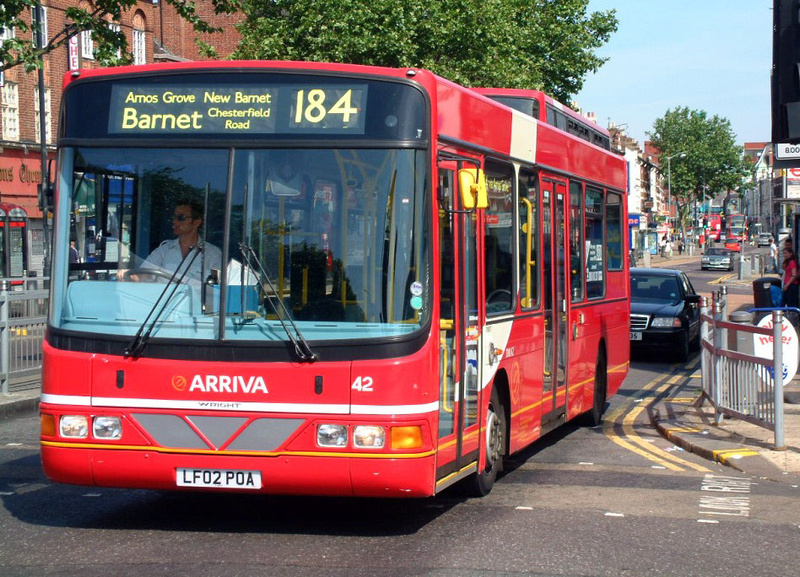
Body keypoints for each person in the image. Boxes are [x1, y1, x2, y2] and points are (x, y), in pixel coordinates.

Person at [120, 199, 222, 283]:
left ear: (196, 222)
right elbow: (143, 275)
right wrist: (129, 275)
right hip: (162, 306)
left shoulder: (212, 254)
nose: (175, 221)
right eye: (174, 217)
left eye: (181, 218)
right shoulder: (163, 251)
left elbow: (217, 291)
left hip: (194, 307)